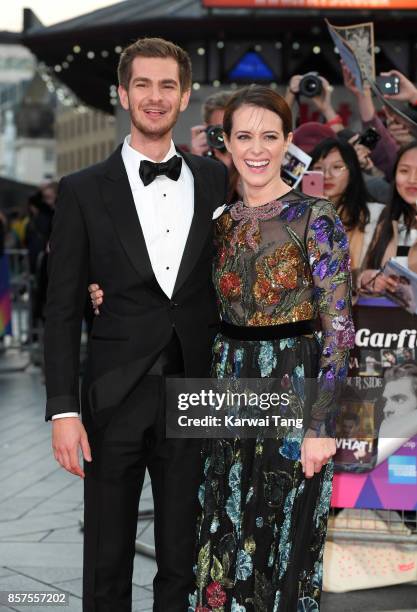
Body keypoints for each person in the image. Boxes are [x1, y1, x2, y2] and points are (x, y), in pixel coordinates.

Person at [43, 37, 228, 612]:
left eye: (167, 85)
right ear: (123, 94)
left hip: (194, 390)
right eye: (143, 85)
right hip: (113, 396)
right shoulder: (80, 191)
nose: (155, 97)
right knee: (106, 558)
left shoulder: (216, 181)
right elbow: (60, 307)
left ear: (186, 95)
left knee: (181, 554)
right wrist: (63, 410)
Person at [190, 86, 354, 610]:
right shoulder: (218, 221)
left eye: (268, 136)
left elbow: (340, 329)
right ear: (227, 142)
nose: (256, 149)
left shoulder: (315, 215)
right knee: (222, 527)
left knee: (282, 540)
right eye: (243, 136)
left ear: (287, 142)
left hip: (293, 383)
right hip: (228, 385)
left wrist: (321, 425)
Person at [310, 138, 385, 281]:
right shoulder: (296, 214)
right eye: (319, 168)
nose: (327, 175)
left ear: (352, 172)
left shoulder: (375, 216)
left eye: (337, 167)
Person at [360, 141, 417, 293]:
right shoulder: (385, 220)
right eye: (404, 171)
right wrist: (368, 279)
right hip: (383, 315)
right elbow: (366, 271)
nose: (412, 179)